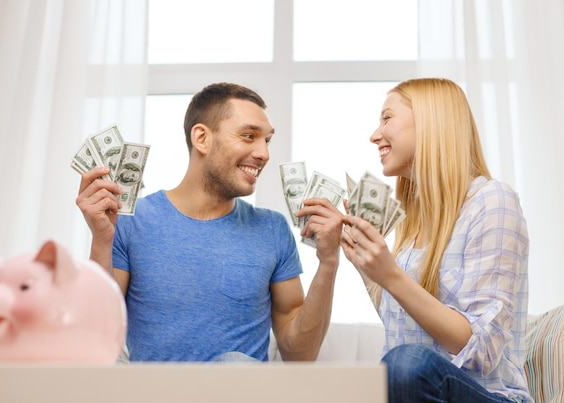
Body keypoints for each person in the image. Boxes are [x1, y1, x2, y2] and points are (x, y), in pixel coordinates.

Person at [76, 82, 343, 362]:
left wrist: (329, 263)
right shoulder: (132, 222)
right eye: (249, 136)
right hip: (159, 394)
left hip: (240, 391)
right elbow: (97, 337)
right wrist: (101, 239)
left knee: (235, 364)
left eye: (267, 140)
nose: (264, 153)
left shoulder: (272, 230)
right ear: (202, 138)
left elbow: (300, 354)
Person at [340, 78, 532, 402]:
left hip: (491, 395)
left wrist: (391, 274)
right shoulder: (416, 220)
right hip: (423, 390)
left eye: (387, 118)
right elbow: (403, 323)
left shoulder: (492, 201)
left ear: (430, 122)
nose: (374, 135)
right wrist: (365, 263)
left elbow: (481, 348)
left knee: (405, 363)